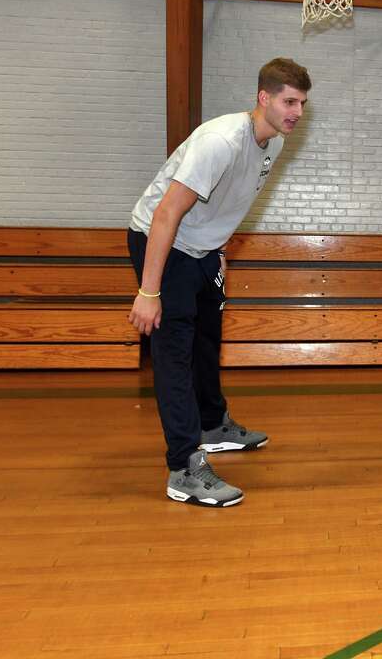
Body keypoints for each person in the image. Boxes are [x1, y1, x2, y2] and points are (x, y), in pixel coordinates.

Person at [127, 57, 311, 507]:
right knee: (175, 352)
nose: (297, 113)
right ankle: (183, 467)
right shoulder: (220, 141)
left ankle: (212, 423)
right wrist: (149, 292)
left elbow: (228, 201)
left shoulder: (273, 143)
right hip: (161, 243)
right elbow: (168, 212)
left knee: (208, 338)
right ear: (263, 98)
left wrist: (218, 249)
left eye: (303, 103)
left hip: (203, 249)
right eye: (289, 101)